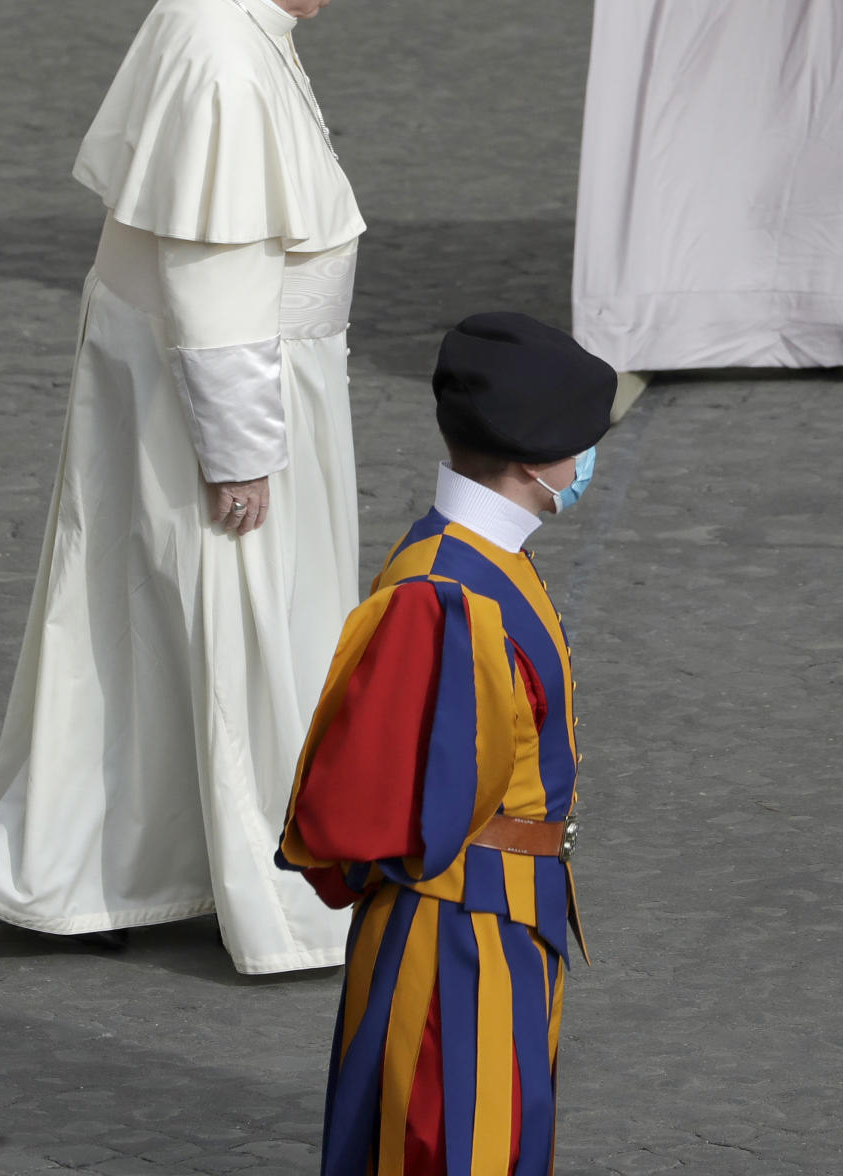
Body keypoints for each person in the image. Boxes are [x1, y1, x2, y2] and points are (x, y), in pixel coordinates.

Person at [0, 0, 365, 975]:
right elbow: (215, 283)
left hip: (210, 388)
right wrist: (240, 455)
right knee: (236, 627)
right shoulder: (225, 64)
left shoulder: (206, 16)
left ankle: (131, 864)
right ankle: (270, 883)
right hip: (226, 409)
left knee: (155, 625)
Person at [277, 312, 617, 1174]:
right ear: (535, 464)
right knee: (452, 1143)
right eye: (578, 447)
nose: (585, 466)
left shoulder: (469, 557)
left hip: (499, 915)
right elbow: (380, 799)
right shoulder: (447, 595)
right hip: (459, 930)